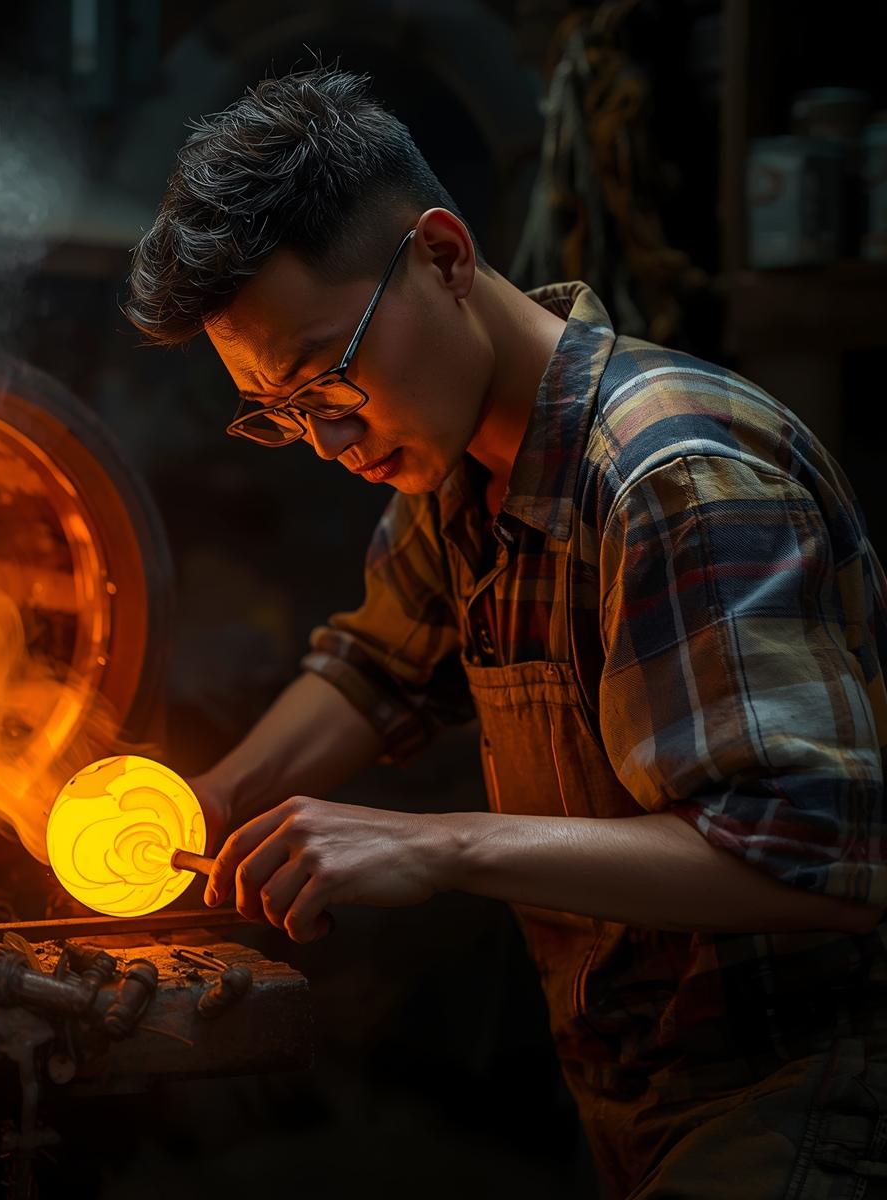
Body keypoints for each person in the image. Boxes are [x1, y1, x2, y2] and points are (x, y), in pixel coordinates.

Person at [122, 66, 887, 1198]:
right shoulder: (456, 475)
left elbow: (812, 858)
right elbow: (374, 671)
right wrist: (206, 804)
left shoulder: (670, 479)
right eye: (278, 415)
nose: (329, 442)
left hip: (809, 1090)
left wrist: (437, 846)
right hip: (639, 1091)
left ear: (442, 255)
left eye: (329, 380)